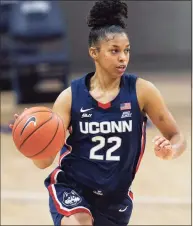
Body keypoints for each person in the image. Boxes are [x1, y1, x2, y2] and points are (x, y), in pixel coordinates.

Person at [10, 0, 186, 225]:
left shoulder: (142, 91)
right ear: (94, 52)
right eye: (114, 51)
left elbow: (177, 137)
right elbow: (45, 161)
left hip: (115, 198)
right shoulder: (70, 97)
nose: (123, 57)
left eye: (126, 50)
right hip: (73, 187)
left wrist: (171, 150)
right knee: (79, 221)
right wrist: (30, 144)